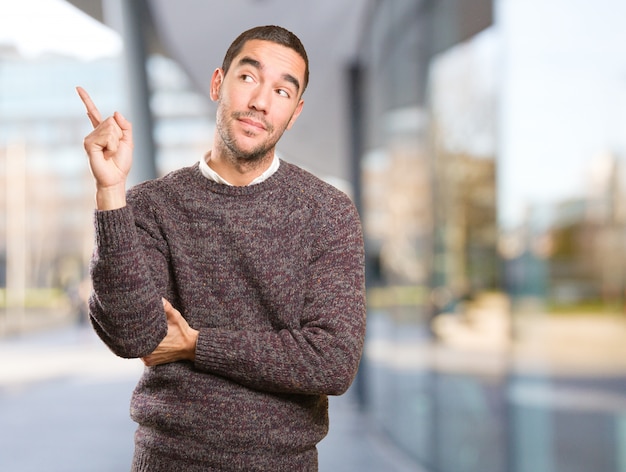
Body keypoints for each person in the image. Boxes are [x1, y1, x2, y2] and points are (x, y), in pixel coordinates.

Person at [77, 25, 366, 471]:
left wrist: (197, 345)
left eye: (282, 92)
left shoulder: (327, 212)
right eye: (248, 77)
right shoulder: (152, 204)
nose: (261, 102)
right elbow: (132, 335)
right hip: (168, 461)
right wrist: (111, 191)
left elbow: (332, 361)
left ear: (295, 112)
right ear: (218, 83)